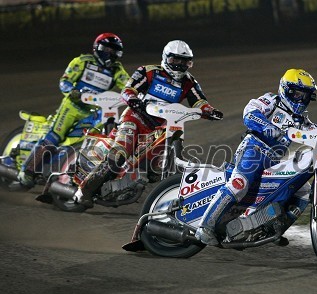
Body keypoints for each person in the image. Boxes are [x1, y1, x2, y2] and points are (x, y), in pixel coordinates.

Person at [195, 68, 317, 245]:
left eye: (305, 96)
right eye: (297, 94)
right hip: (253, 150)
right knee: (240, 184)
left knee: (303, 191)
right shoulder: (271, 101)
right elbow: (250, 112)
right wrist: (267, 126)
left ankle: (271, 227)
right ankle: (205, 226)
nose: (301, 99)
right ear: (286, 90)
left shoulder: (301, 120)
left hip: (274, 161)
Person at [73, 39, 223, 207]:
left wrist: (210, 111)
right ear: (166, 58)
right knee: (118, 156)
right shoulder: (148, 72)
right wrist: (133, 99)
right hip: (135, 119)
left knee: (155, 168)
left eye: (184, 61)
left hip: (162, 127)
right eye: (175, 60)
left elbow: (199, 102)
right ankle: (84, 191)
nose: (179, 65)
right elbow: (128, 90)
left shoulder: (190, 82)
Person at [17, 32, 130, 188]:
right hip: (71, 107)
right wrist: (72, 91)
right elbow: (64, 81)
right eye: (107, 49)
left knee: (95, 137)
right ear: (98, 48)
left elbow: (128, 86)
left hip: (94, 111)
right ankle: (27, 171)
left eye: (114, 51)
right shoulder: (82, 61)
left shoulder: (117, 69)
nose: (110, 54)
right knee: (55, 136)